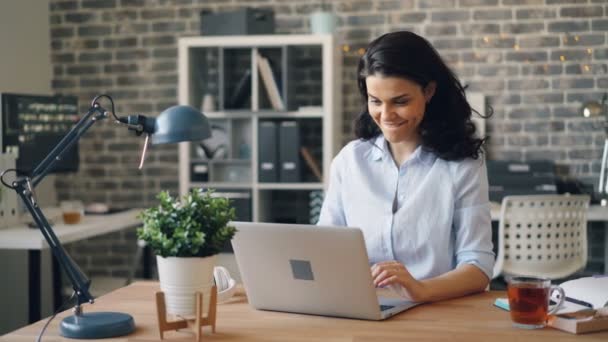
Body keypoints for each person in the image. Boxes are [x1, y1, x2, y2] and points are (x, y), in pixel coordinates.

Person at [318, 31, 494, 303]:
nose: (386, 116)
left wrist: (420, 289)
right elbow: (324, 249)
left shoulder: (462, 166)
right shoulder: (349, 162)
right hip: (360, 309)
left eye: (400, 101)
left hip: (434, 311)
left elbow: (478, 266)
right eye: (376, 101)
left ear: (429, 91)